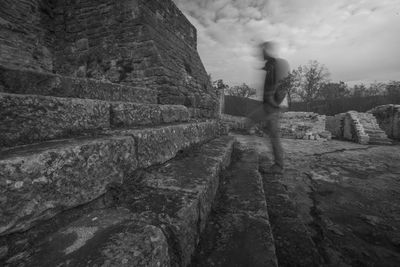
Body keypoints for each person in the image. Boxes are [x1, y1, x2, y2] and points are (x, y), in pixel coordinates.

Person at [248, 41, 290, 174]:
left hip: (272, 106)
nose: (260, 54)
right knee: (269, 132)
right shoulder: (270, 65)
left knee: (271, 133)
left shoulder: (279, 64)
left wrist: (274, 102)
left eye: (262, 51)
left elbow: (282, 85)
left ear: (267, 51)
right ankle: (276, 163)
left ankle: (278, 165)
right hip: (269, 105)